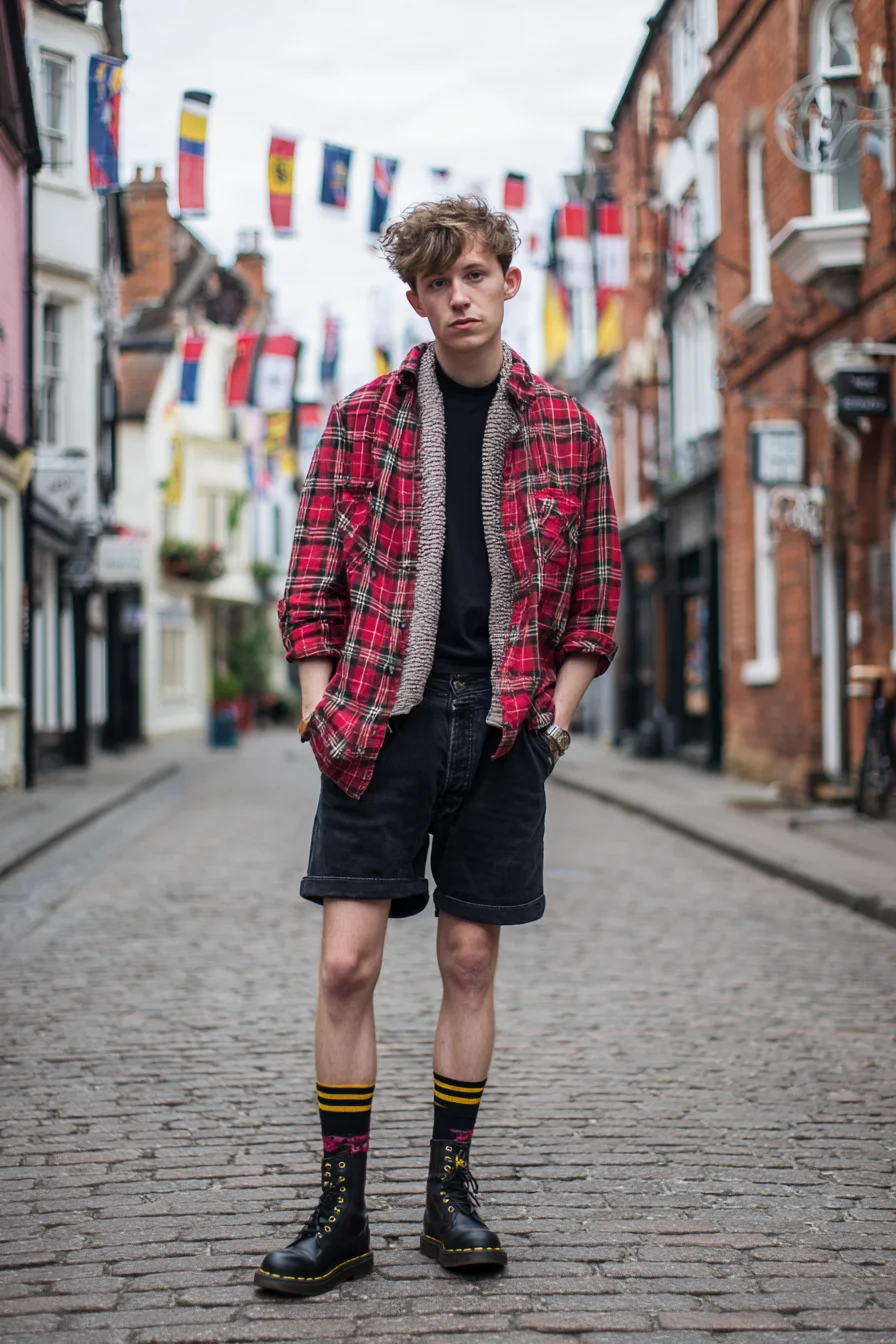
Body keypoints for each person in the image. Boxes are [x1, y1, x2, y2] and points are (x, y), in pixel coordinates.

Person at [255, 196, 621, 1297]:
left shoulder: (566, 429)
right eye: (434, 284)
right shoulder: (363, 419)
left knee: (467, 961)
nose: (456, 296)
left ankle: (448, 1193)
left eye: (473, 275)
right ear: (413, 300)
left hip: (506, 722)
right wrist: (322, 706)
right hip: (380, 719)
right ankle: (340, 1211)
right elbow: (309, 581)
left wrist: (554, 714)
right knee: (344, 965)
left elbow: (595, 599)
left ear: (509, 280)